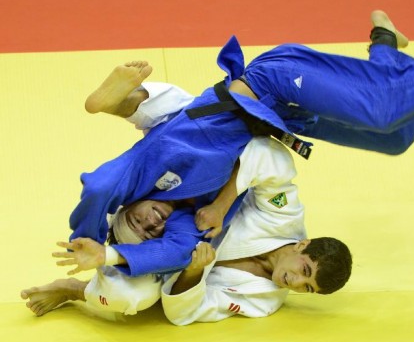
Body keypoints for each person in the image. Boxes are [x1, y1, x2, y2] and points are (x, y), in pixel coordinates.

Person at [66, 10, 414, 277]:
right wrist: (109, 258)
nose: (150, 221)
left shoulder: (136, 173)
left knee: (382, 109)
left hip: (268, 84)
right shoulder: (196, 223)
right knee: (397, 137)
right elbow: (170, 255)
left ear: (129, 205)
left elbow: (100, 186)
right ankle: (385, 44)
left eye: (136, 219)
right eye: (151, 231)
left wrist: (84, 239)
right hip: (282, 118)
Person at [21, 137, 353, 324]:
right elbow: (267, 153)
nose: (295, 283)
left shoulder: (264, 301)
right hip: (167, 202)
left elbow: (183, 313)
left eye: (307, 288)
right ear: (302, 245)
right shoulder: (284, 215)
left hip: (159, 262)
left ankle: (73, 290)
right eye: (305, 271)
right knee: (187, 125)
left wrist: (194, 273)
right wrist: (221, 207)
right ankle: (133, 103)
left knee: (133, 300)